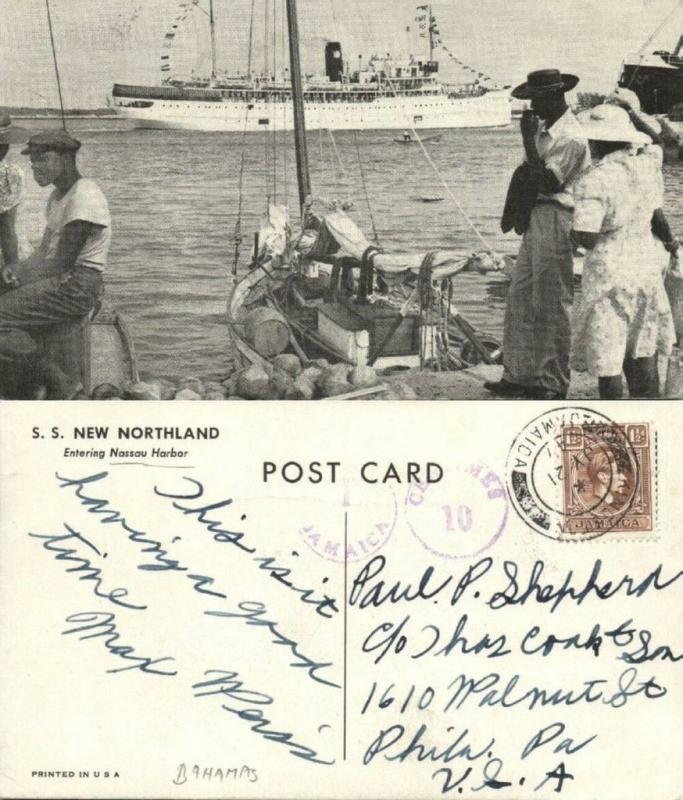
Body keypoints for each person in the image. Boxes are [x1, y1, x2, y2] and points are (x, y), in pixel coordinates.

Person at [485, 69, 591, 400]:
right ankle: (518, 374)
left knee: (551, 303)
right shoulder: (546, 131)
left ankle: (552, 382)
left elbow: (548, 181)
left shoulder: (571, 137)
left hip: (557, 216)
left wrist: (526, 139)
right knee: (520, 297)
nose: (532, 107)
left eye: (536, 100)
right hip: (538, 216)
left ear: (554, 97)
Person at [570, 104, 676, 399]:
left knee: (609, 357)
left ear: (595, 143)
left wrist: (570, 236)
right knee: (644, 347)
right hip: (644, 265)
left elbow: (587, 237)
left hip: (610, 273)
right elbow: (656, 141)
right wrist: (631, 110)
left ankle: (614, 418)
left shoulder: (595, 179)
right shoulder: (647, 166)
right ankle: (650, 413)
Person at [0, 130, 110, 399]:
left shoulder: (85, 195)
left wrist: (23, 278)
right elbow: (43, 253)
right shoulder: (58, 197)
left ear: (66, 158)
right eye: (33, 160)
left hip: (78, 285)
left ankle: (60, 382)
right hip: (65, 280)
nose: (35, 166)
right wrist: (16, 270)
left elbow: (62, 262)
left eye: (42, 159)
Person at [0, 110, 28, 285]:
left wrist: (11, 265)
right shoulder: (11, 173)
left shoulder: (9, 174)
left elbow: (7, 230)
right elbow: (7, 229)